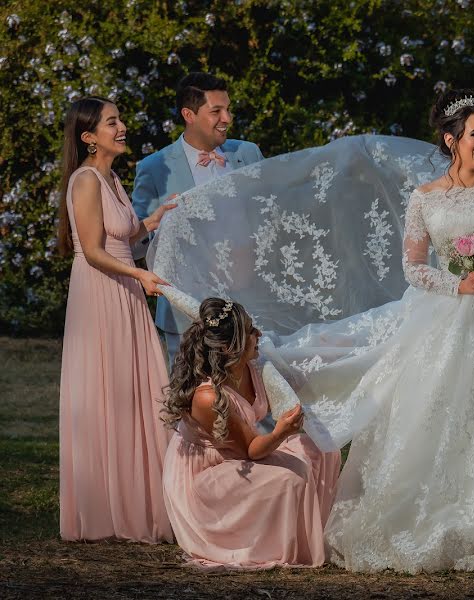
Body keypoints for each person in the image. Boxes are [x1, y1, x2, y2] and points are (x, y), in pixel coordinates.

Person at [147, 91, 474, 572]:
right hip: (449, 313)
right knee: (434, 411)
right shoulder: (426, 197)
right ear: (452, 141)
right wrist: (459, 286)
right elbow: (414, 266)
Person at [57, 97, 175, 542]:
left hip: (125, 289)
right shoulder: (85, 180)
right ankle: (109, 508)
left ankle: (139, 499)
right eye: (112, 122)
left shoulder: (112, 178)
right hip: (102, 291)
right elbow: (92, 249)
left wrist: (157, 218)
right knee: (109, 390)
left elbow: (124, 234)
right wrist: (138, 273)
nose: (122, 127)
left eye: (120, 119)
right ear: (89, 137)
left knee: (135, 390)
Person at [161, 298, 341, 568]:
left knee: (321, 449)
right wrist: (281, 432)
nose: (259, 334)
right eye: (250, 331)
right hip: (206, 474)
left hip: (241, 456)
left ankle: (311, 534)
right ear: (228, 346)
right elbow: (251, 449)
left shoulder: (252, 366)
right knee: (290, 479)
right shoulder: (207, 396)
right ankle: (281, 548)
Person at [132, 72, 264, 367]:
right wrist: (158, 223)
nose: (227, 118)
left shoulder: (248, 153)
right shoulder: (155, 168)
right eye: (216, 111)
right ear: (188, 115)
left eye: (228, 109)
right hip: (187, 311)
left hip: (248, 302)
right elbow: (136, 244)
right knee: (190, 400)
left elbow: (269, 218)